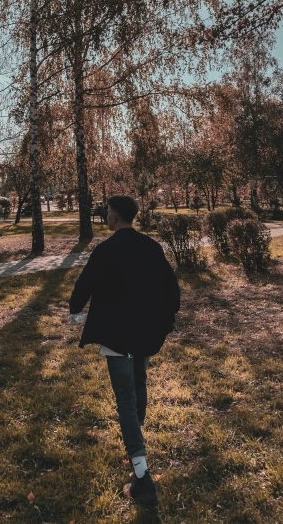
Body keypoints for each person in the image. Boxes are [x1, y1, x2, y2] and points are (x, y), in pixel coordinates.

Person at [69, 194, 180, 505]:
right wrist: (166, 319)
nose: (106, 216)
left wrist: (74, 310)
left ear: (115, 217)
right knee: (138, 388)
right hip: (145, 334)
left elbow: (84, 284)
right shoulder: (151, 247)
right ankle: (137, 448)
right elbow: (171, 290)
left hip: (118, 337)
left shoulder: (106, 250)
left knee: (126, 400)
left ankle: (142, 476)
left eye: (107, 212)